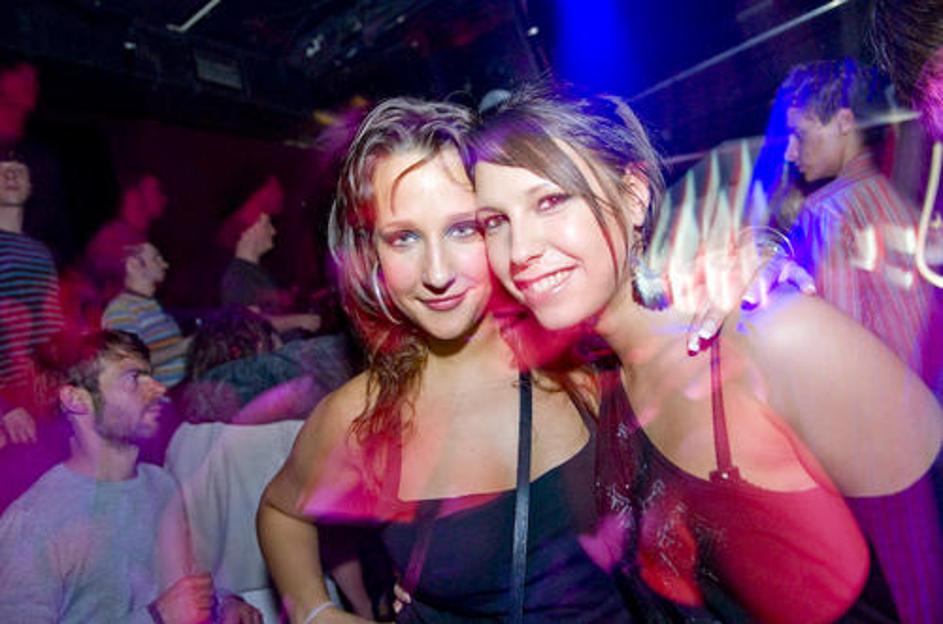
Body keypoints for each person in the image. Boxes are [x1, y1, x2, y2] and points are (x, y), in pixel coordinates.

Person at [467, 83, 943, 623]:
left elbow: (928, 546)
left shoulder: (776, 335)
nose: (521, 249)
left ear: (634, 195)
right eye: (495, 222)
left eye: (551, 201)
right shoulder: (601, 379)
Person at [258, 97, 633, 624]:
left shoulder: (585, 362)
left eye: (464, 229)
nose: (437, 273)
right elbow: (280, 513)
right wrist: (316, 613)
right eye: (404, 237)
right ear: (372, 254)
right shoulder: (362, 417)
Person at [0, 329, 260, 623]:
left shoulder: (161, 483)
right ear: (76, 399)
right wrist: (156, 617)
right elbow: (167, 610)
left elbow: (185, 583)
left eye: (151, 376)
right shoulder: (33, 521)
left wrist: (224, 604)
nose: (159, 389)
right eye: (133, 378)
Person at [779, 59, 933, 378]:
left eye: (800, 134)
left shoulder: (825, 212)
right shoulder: (904, 199)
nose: (790, 153)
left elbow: (840, 360)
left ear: (844, 121)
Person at [0, 152, 63, 448]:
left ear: (30, 185)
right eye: (2, 170)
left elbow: (51, 327)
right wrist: (4, 407)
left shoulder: (40, 253)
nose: (11, 175)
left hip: (41, 400)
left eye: (19, 170)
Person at [219, 176, 322, 338]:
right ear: (250, 229)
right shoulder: (238, 276)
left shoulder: (255, 272)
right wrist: (299, 320)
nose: (273, 231)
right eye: (268, 225)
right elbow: (252, 325)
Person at [102, 241, 188, 388]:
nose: (165, 264)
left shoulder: (152, 305)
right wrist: (184, 347)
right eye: (156, 258)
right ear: (133, 265)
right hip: (160, 399)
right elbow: (129, 364)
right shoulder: (121, 310)